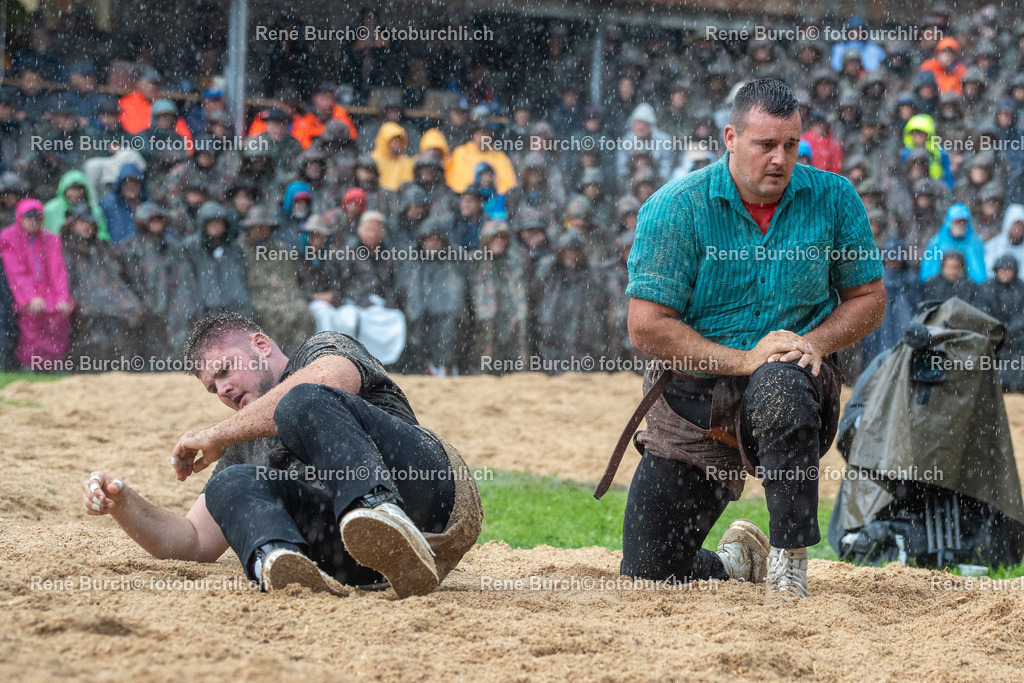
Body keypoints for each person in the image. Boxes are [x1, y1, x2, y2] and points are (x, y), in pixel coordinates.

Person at [619, 79, 884, 599]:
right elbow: (645, 325)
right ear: (731, 138)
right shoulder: (676, 207)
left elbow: (869, 298)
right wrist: (743, 359)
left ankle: (789, 559)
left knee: (779, 379)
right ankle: (737, 563)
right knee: (650, 568)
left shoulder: (834, 199)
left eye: (790, 144)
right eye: (765, 144)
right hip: (694, 403)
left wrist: (815, 342)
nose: (780, 159)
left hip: (794, 383)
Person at [82, 312, 482, 598]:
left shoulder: (322, 350)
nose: (221, 390)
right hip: (350, 555)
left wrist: (217, 433)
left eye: (224, 371)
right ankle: (278, 560)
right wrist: (124, 503)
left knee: (300, 400)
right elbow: (194, 542)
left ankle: (379, 512)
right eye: (212, 388)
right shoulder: (240, 444)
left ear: (260, 345)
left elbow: (328, 380)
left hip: (425, 491)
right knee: (228, 482)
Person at [0, 199, 74, 368]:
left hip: (48, 291)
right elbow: (16, 273)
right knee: (32, 323)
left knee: (59, 317)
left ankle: (53, 364)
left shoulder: (51, 239)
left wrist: (62, 297)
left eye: (38, 217)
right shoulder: (8, 238)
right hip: (22, 293)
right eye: (29, 217)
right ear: (20, 217)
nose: (33, 221)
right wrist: (30, 297)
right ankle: (30, 364)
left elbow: (57, 271)